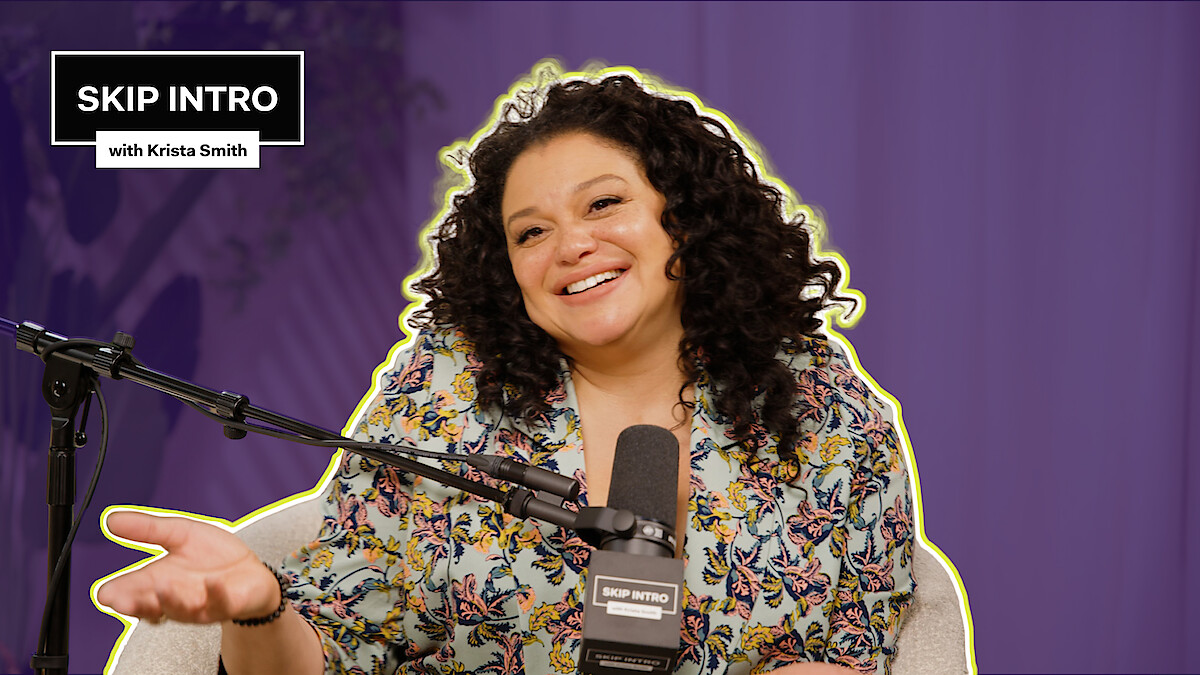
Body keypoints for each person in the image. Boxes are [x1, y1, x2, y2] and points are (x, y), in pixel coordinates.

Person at [98, 66, 916, 675]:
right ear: (508, 270)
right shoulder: (446, 395)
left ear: (687, 219)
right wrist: (260, 608)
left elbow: (856, 648)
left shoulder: (822, 408)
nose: (569, 247)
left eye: (603, 205)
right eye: (530, 233)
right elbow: (341, 644)